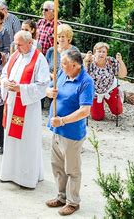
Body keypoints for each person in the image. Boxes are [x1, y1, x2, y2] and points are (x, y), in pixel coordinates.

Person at [45, 50, 94, 216]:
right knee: (57, 165)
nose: (61, 66)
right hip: (56, 129)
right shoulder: (61, 73)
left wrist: (63, 120)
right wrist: (48, 92)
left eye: (64, 63)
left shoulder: (86, 82)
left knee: (72, 169)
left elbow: (85, 110)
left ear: (75, 65)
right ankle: (61, 196)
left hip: (71, 132)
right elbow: (49, 88)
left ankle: (73, 202)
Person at [0, 30, 50, 188]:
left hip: (27, 108)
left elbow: (43, 85)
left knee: (27, 141)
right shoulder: (15, 56)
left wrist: (20, 88)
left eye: (20, 45)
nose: (17, 47)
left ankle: (26, 177)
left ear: (30, 43)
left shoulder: (39, 59)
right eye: (15, 44)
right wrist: (5, 83)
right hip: (12, 104)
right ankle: (9, 173)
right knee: (11, 139)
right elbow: (4, 73)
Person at [84, 42, 127, 121]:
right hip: (95, 93)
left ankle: (118, 97)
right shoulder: (90, 62)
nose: (101, 54)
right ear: (95, 52)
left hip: (110, 89)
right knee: (98, 117)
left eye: (104, 52)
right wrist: (86, 62)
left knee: (118, 111)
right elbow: (82, 77)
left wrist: (120, 61)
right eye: (99, 51)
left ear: (106, 53)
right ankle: (94, 105)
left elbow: (123, 75)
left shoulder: (111, 61)